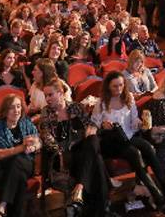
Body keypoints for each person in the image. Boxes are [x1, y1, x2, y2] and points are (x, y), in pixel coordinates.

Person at [91, 71, 165, 213]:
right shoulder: (102, 103)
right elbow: (93, 125)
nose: (118, 89)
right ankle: (156, 195)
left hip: (128, 136)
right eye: (114, 86)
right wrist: (103, 125)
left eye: (121, 85)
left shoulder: (128, 97)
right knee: (134, 153)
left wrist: (138, 122)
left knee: (149, 148)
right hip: (111, 141)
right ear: (108, 87)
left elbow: (134, 118)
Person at [38, 79, 111, 216]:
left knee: (93, 139)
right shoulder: (46, 112)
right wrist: (61, 150)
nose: (47, 99)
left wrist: (92, 129)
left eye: (50, 95)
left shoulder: (75, 107)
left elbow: (90, 125)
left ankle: (80, 188)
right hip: (63, 157)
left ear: (60, 93)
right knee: (97, 161)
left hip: (81, 152)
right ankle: (103, 209)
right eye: (45, 95)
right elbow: (47, 138)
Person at [0, 95, 41, 217]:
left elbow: (39, 142)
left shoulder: (26, 122)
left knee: (17, 161)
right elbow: (0, 155)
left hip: (28, 163)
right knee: (19, 175)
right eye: (12, 108)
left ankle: (2, 204)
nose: (16, 110)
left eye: (18, 106)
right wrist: (22, 148)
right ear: (5, 110)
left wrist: (33, 147)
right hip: (5, 167)